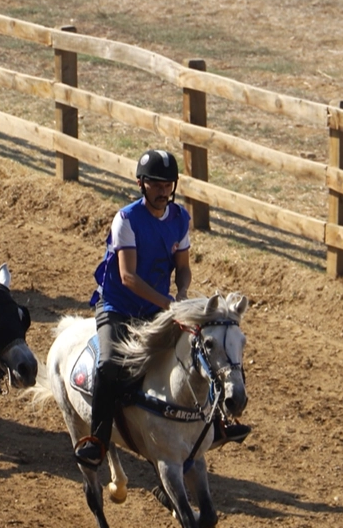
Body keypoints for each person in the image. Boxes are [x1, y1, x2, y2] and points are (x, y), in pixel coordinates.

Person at [75, 149, 250, 467]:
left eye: (168, 185)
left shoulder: (180, 218)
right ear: (141, 184)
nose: (162, 191)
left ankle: (217, 423)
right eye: (155, 185)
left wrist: (182, 291)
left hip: (159, 309)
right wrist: (171, 306)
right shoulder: (126, 219)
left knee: (198, 352)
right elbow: (128, 277)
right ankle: (98, 440)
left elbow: (182, 267)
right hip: (118, 308)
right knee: (109, 365)